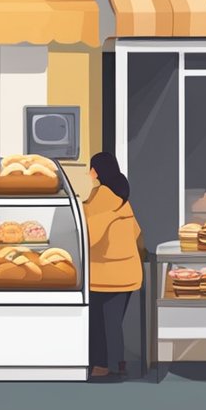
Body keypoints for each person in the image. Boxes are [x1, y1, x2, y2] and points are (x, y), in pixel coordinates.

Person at [85, 151, 142, 381]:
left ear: (96, 171)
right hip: (128, 272)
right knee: (114, 322)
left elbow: (89, 233)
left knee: (98, 321)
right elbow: (138, 233)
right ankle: (118, 363)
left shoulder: (99, 196)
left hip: (103, 273)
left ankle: (101, 365)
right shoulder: (123, 198)